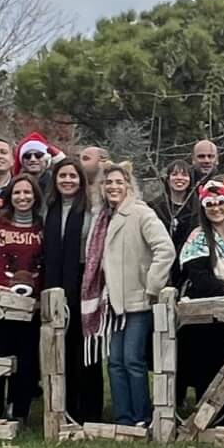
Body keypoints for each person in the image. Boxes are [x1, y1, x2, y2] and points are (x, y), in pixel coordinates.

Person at [81, 162, 174, 428]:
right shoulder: (102, 217)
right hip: (111, 301)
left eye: (119, 182)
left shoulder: (139, 213)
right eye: (108, 182)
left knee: (133, 360)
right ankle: (123, 418)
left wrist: (151, 286)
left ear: (128, 185)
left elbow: (165, 249)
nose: (113, 187)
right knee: (115, 362)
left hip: (137, 299)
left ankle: (142, 417)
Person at [177, 181, 224, 428]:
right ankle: (206, 420)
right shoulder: (198, 237)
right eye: (211, 204)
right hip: (208, 316)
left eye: (221, 203)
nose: (217, 208)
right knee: (208, 367)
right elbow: (197, 274)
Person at [0, 175, 43, 426]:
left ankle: (19, 411)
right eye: (17, 193)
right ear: (9, 196)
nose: (22, 197)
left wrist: (39, 296)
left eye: (28, 193)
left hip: (30, 307)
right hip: (0, 304)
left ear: (35, 196)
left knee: (26, 361)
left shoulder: (42, 227)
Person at [42, 157, 99, 424]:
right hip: (53, 283)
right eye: (62, 176)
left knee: (84, 349)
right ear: (55, 179)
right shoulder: (48, 209)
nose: (67, 180)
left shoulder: (91, 209)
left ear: (81, 180)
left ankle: (88, 409)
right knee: (59, 346)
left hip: (83, 283)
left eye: (73, 176)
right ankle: (60, 406)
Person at [151, 158, 200, 249]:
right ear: (168, 180)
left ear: (190, 180)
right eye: (174, 174)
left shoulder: (197, 208)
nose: (179, 178)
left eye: (184, 175)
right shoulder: (155, 207)